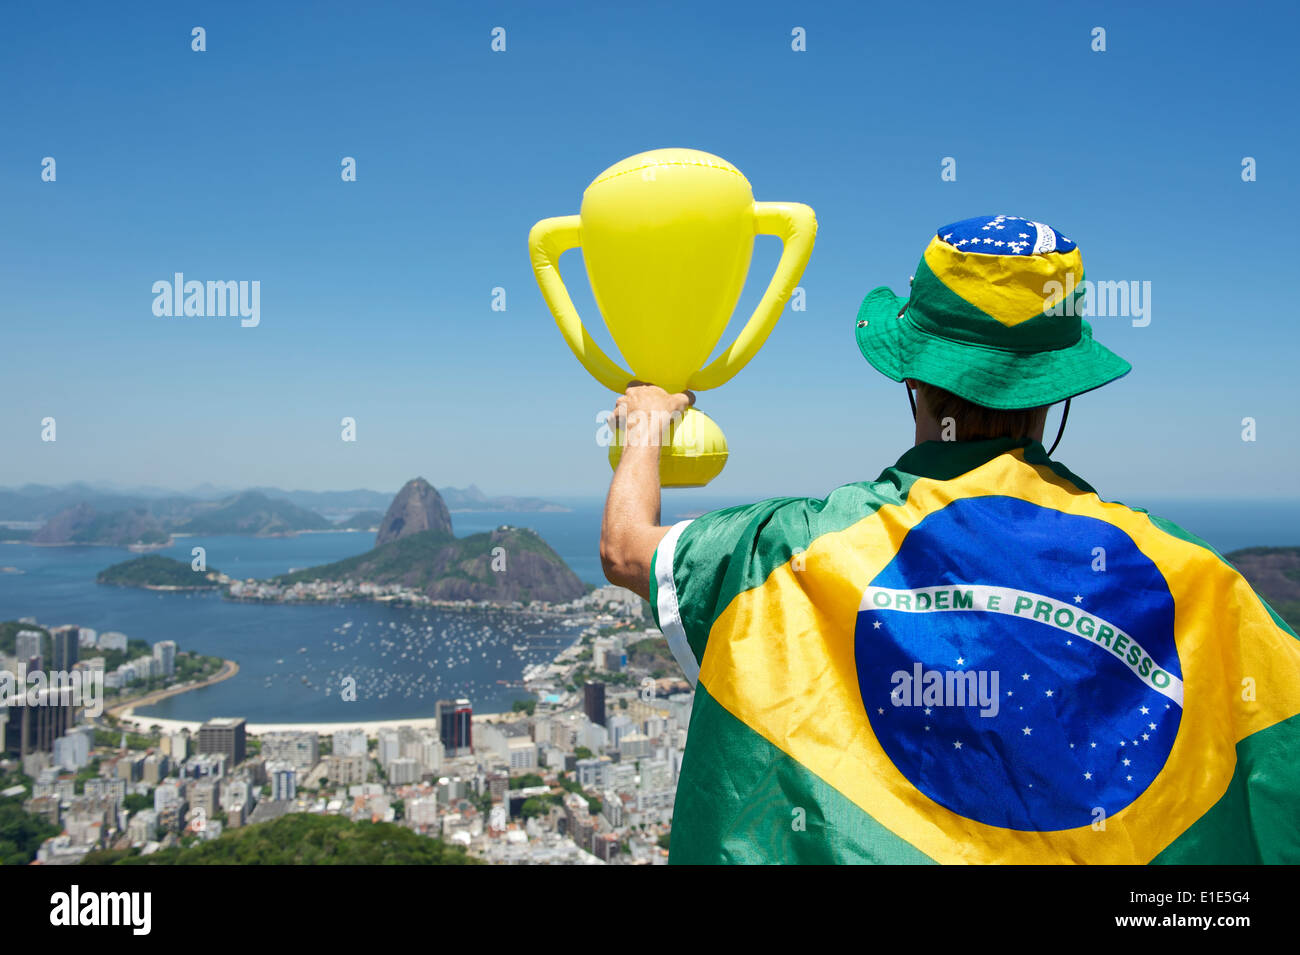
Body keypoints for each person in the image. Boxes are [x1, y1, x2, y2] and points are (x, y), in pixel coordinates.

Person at [599, 215, 1300, 864]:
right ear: (1056, 390)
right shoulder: (1199, 585)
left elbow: (626, 547)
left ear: (912, 376)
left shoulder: (795, 549)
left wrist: (645, 427)